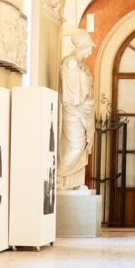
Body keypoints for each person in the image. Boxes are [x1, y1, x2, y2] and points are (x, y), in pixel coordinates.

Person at [58, 30, 95, 190]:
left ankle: (73, 183)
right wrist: (86, 103)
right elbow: (73, 94)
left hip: (81, 110)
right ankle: (60, 177)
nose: (91, 51)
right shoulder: (71, 63)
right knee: (75, 145)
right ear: (83, 46)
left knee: (80, 146)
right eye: (90, 48)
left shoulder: (79, 64)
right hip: (74, 110)